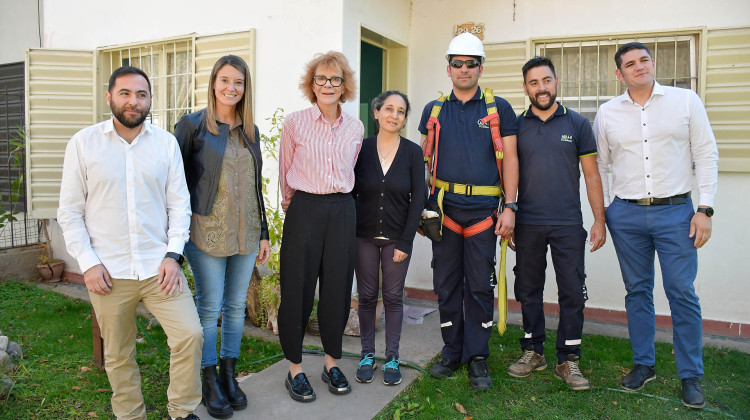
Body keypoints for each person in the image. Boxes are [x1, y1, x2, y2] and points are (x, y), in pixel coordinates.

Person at [57, 66, 201, 420]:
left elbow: (179, 205)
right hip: (108, 271)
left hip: (159, 268)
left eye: (141, 94)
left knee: (190, 335)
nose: (133, 101)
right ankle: (130, 415)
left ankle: (181, 412)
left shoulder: (165, 144)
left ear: (150, 100)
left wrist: (173, 255)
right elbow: (70, 212)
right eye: (125, 93)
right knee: (118, 354)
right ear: (109, 97)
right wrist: (88, 264)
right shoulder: (84, 143)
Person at [594, 42, 718, 409]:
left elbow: (705, 153)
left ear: (652, 63)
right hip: (626, 215)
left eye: (644, 60)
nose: (639, 67)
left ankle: (690, 375)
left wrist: (705, 209)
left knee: (681, 292)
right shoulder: (607, 112)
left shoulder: (685, 100)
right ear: (620, 74)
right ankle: (644, 364)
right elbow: (600, 166)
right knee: (637, 291)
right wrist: (602, 215)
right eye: (629, 64)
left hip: (677, 212)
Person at [419, 33, 519, 391]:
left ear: (480, 67)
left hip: (482, 215)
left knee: (478, 286)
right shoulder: (434, 110)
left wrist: (510, 206)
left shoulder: (498, 109)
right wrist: (421, 209)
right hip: (444, 213)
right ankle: (452, 351)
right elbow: (423, 162)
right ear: (449, 68)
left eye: (471, 63)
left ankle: (477, 357)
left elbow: (511, 160)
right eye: (457, 64)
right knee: (445, 286)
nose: (464, 69)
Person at [173, 55, 270, 419]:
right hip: (205, 233)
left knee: (234, 308)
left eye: (239, 82)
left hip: (245, 233)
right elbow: (173, 182)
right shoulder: (192, 126)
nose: (232, 88)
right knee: (209, 307)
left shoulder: (251, 130)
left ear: (246, 88)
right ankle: (209, 378)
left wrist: (263, 233)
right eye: (225, 80)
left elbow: (256, 186)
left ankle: (230, 375)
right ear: (214, 82)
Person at [506, 57, 605, 391]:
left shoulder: (578, 124)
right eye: (533, 83)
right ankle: (534, 351)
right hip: (529, 223)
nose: (541, 88)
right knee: (528, 289)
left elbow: (591, 175)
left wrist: (599, 220)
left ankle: (569, 359)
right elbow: (508, 173)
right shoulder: (516, 126)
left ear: (556, 82)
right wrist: (509, 213)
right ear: (526, 88)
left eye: (546, 81)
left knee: (573, 292)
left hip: (567, 223)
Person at [278, 51, 364, 402]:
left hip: (342, 210)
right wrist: (291, 204)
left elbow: (351, 169)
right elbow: (285, 170)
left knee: (337, 290)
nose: (328, 85)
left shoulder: (356, 127)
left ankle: (331, 363)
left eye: (335, 80)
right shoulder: (295, 123)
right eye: (321, 79)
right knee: (297, 288)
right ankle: (295, 368)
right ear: (311, 85)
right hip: (305, 209)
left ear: (345, 87)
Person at [352, 91, 425, 386]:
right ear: (377, 112)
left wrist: (406, 242)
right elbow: (349, 190)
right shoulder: (361, 148)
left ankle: (392, 358)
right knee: (367, 297)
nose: (395, 115)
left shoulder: (412, 153)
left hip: (397, 238)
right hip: (363, 237)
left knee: (393, 298)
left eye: (401, 111)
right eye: (389, 109)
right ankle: (367, 355)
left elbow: (418, 198)